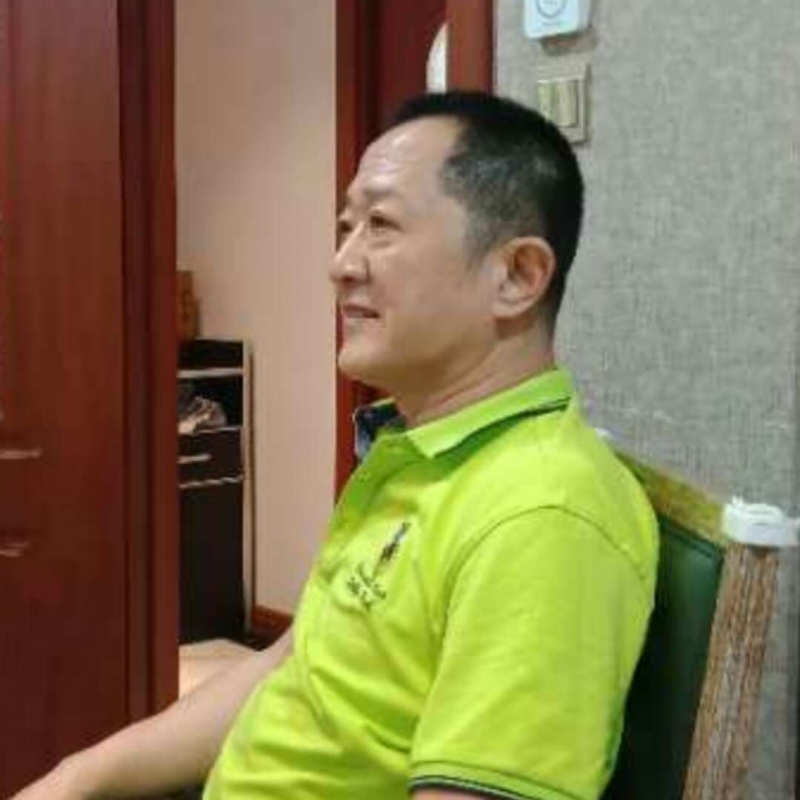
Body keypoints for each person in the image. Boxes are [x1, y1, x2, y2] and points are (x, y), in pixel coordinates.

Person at [11, 91, 657, 800]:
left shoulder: (541, 514)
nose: (341, 263)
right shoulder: (417, 452)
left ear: (517, 276)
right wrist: (74, 781)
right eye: (346, 227)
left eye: (381, 225)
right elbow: (292, 664)